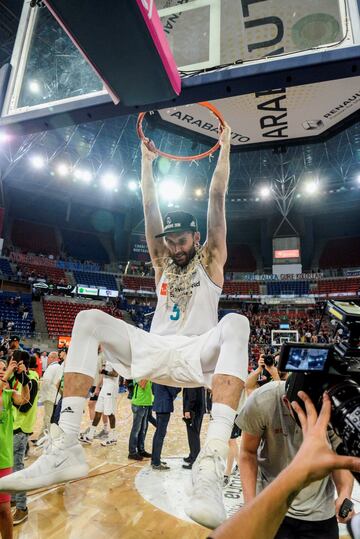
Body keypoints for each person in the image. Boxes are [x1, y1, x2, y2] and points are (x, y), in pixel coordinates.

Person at [0, 125, 250, 530]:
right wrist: (146, 162)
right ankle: (66, 444)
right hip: (153, 351)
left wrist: (224, 150)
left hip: (197, 351)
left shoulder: (212, 259)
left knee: (237, 322)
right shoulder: (160, 263)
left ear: (197, 238)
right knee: (87, 319)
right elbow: (148, 207)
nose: (174, 245)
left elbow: (218, 197)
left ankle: (211, 462)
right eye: (170, 240)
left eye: (181, 239)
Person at [209, 391, 360, 539]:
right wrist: (251, 506)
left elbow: (342, 458)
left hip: (320, 512)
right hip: (272, 507)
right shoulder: (263, 400)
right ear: (287, 402)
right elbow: (248, 452)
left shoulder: (332, 407)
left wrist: (344, 493)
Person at [8, 350, 39, 526]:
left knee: (18, 469)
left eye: (13, 362)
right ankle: (13, 497)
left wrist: (11, 397)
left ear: (21, 364)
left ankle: (22, 507)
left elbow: (26, 405)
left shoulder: (31, 378)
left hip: (20, 428)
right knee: (12, 467)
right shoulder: (19, 378)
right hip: (12, 427)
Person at [0, 358, 29, 539]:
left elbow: (25, 399)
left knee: (3, 509)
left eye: (4, 368)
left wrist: (23, 379)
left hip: (3, 458)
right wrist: (9, 375)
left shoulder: (9, 393)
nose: (3, 371)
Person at [80, 361, 119, 446]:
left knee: (110, 413)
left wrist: (104, 371)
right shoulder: (108, 359)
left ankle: (113, 437)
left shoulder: (115, 358)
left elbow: (115, 374)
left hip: (111, 388)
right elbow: (103, 376)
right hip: (104, 387)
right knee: (98, 411)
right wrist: (97, 387)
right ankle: (90, 435)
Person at [151, 384, 180, 470]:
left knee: (158, 433)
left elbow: (153, 390)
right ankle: (156, 463)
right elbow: (173, 391)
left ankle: (155, 459)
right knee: (160, 434)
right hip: (164, 407)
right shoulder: (166, 376)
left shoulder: (156, 376)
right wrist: (179, 388)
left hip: (158, 405)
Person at [37, 351, 64, 441]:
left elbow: (46, 382)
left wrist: (39, 393)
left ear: (53, 358)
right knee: (49, 417)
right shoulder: (58, 367)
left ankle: (44, 437)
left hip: (49, 396)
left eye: (48, 357)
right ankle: (43, 436)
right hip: (54, 396)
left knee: (47, 417)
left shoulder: (52, 367)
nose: (47, 359)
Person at [128, 379, 153, 461]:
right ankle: (132, 452)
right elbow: (142, 384)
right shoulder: (139, 373)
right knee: (136, 430)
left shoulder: (145, 373)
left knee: (143, 430)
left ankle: (141, 450)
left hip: (146, 403)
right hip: (139, 404)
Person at [182, 387, 206, 469]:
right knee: (195, 434)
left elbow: (192, 397)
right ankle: (192, 456)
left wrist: (187, 409)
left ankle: (195, 460)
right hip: (199, 409)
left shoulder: (191, 379)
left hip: (194, 410)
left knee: (193, 436)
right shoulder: (197, 378)